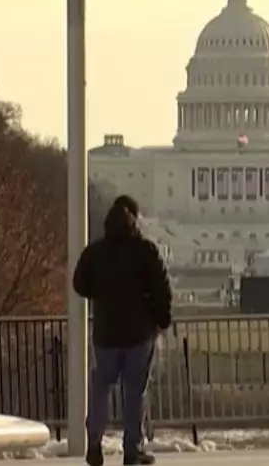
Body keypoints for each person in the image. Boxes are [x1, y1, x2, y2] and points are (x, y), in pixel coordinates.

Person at [72, 195, 172, 466]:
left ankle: (94, 441)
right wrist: (161, 318)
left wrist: (100, 293)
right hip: (139, 333)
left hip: (106, 332)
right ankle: (131, 449)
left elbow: (79, 284)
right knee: (134, 391)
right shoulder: (145, 251)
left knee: (101, 388)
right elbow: (162, 289)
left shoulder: (95, 252)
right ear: (134, 220)